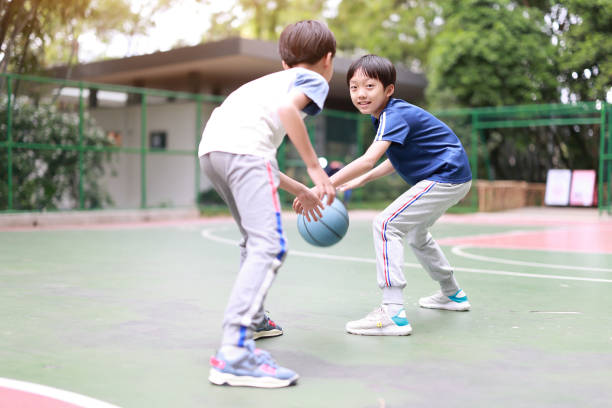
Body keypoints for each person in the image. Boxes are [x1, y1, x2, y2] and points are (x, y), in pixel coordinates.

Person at [199, 20, 336, 387]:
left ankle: (254, 320)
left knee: (253, 240)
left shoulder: (263, 85)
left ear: (284, 63)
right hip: (243, 155)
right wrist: (315, 169)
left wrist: (302, 191)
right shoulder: (314, 79)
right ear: (328, 59)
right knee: (270, 246)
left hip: (212, 152)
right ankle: (235, 353)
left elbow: (258, 160)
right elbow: (287, 116)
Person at [295, 54, 472, 336]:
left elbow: (368, 158)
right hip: (452, 177)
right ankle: (452, 294)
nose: (360, 94)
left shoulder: (394, 114)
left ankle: (392, 312)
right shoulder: (387, 117)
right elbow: (391, 159)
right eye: (354, 87)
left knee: (386, 223)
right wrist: (366, 177)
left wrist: (321, 186)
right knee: (416, 234)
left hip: (445, 176)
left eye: (369, 86)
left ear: (388, 90)